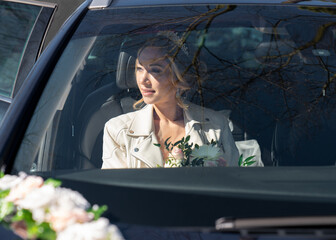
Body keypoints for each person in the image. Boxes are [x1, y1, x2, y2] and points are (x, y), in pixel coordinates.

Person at [102, 33, 240, 168]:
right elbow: (114, 189)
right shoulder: (118, 130)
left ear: (179, 76)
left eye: (155, 70)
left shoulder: (216, 126)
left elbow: (230, 182)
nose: (142, 80)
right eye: (139, 69)